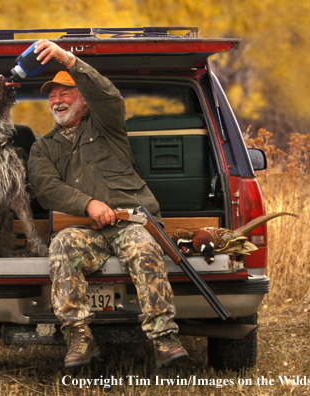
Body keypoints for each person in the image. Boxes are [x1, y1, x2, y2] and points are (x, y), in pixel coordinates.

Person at [27, 39, 189, 369]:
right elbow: (45, 189)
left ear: (84, 100)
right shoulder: (42, 148)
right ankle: (79, 339)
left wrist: (68, 60)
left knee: (145, 249)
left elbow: (109, 96)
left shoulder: (107, 124)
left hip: (130, 223)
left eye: (65, 92)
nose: (57, 100)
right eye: (52, 95)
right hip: (84, 229)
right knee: (61, 247)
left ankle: (163, 339)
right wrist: (87, 204)